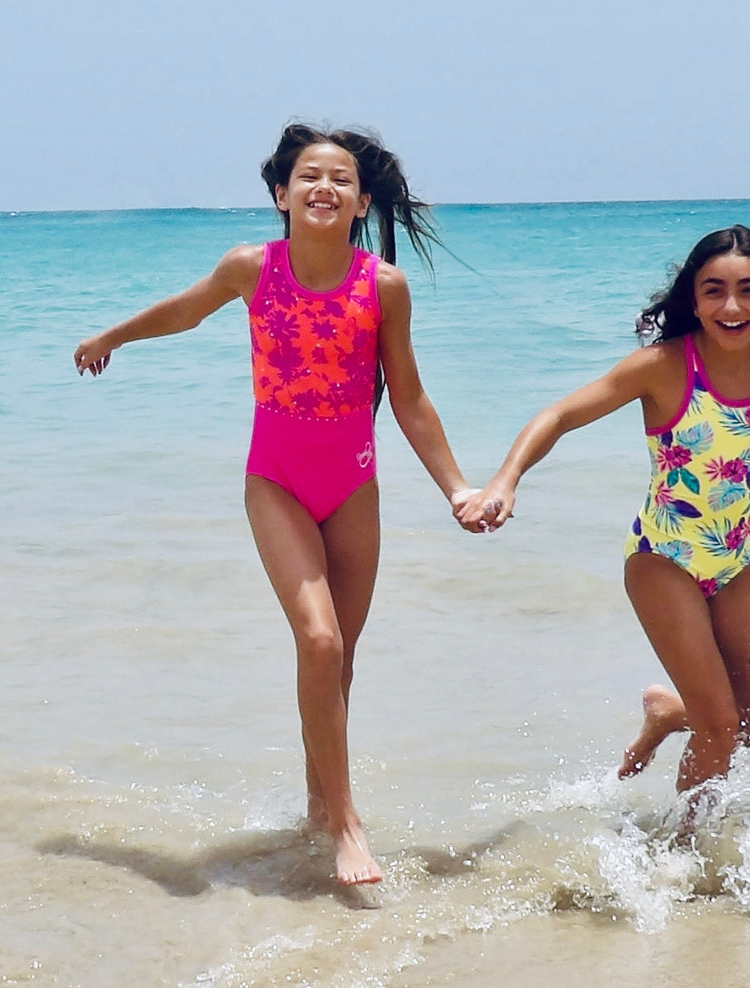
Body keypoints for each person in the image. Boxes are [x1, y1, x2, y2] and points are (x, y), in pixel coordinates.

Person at [74, 123, 481, 885]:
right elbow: (184, 310)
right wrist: (112, 336)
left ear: (362, 202)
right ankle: (348, 823)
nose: (322, 187)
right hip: (277, 482)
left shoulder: (382, 286)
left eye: (339, 179)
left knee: (338, 664)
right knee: (319, 643)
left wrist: (456, 486)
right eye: (308, 177)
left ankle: (316, 809)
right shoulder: (252, 269)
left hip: (353, 486)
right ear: (280, 194)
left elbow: (412, 399)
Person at [456, 225, 750, 803]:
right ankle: (681, 861)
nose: (731, 305)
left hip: (734, 563)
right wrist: (505, 479)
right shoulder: (664, 366)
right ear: (692, 300)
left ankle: (671, 714)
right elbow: (560, 416)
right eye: (713, 289)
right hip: (662, 560)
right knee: (720, 727)